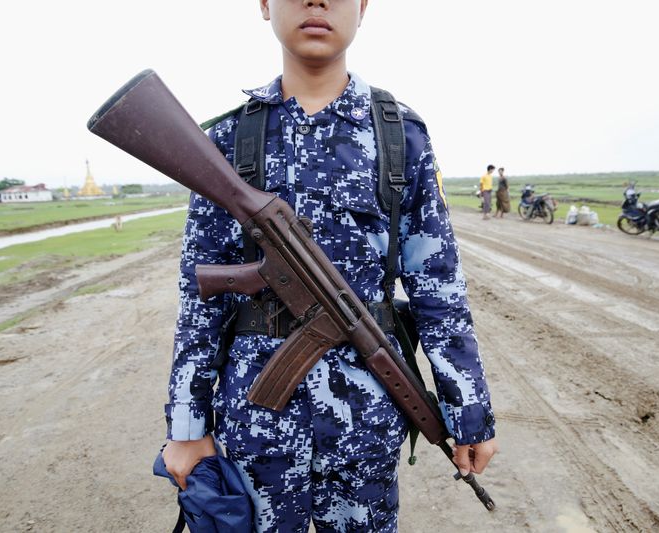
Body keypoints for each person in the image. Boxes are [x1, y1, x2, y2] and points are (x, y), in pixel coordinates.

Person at [162, 1, 497, 531]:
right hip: (256, 421)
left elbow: (440, 291)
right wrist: (186, 425)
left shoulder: (400, 136)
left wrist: (468, 413)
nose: (316, 2)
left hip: (366, 419)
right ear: (265, 5)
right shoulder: (227, 140)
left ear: (363, 7)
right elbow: (198, 303)